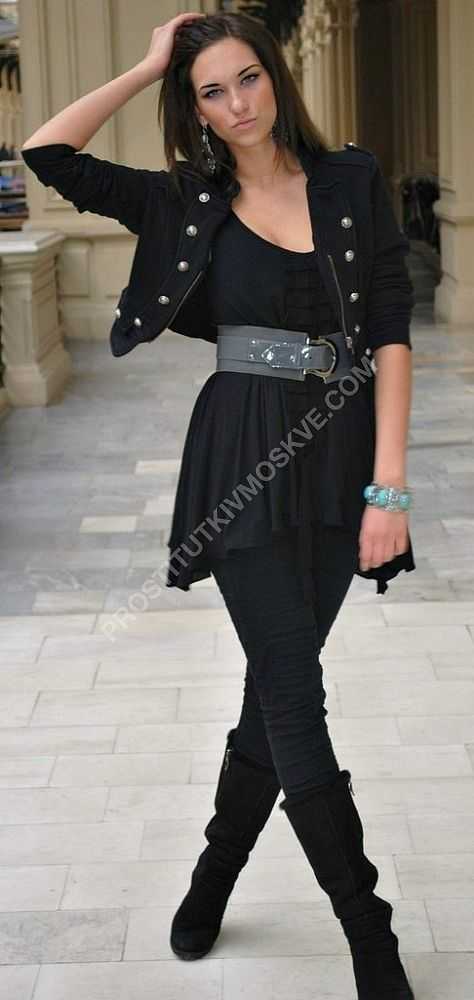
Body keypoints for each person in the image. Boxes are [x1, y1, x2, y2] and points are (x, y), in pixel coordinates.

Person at [21, 12, 415, 999]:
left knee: (269, 701)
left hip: (344, 456)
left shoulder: (350, 180)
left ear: (275, 76)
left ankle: (209, 879)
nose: (237, 104)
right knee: (295, 697)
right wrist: (149, 64)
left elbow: (392, 329)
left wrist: (389, 487)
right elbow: (47, 153)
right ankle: (371, 936)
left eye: (248, 78)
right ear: (192, 107)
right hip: (241, 458)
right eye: (211, 91)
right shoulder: (184, 200)